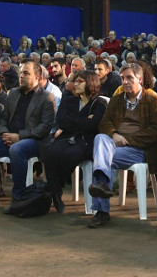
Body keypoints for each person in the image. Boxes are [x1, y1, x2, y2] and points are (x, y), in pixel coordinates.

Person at [0, 60, 56, 210]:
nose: (21, 76)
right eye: (20, 73)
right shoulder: (13, 93)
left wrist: (19, 136)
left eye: (26, 73)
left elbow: (45, 127)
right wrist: (4, 133)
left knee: (17, 149)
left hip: (34, 141)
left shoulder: (47, 97)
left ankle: (18, 196)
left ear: (38, 76)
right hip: (8, 138)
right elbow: (3, 117)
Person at [86, 63, 157, 228]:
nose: (125, 82)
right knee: (100, 138)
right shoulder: (116, 100)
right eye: (122, 78)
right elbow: (105, 123)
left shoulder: (153, 100)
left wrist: (127, 140)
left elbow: (155, 131)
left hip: (140, 149)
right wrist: (114, 135)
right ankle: (103, 188)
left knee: (102, 159)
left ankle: (101, 210)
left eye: (129, 78)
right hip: (115, 144)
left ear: (140, 79)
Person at [41, 70, 107, 212]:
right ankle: (56, 193)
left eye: (79, 82)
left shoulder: (99, 104)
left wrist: (73, 120)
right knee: (50, 153)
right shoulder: (69, 100)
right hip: (67, 137)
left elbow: (93, 125)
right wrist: (83, 120)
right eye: (75, 81)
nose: (74, 84)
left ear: (90, 83)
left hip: (86, 142)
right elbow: (61, 121)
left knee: (71, 155)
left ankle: (54, 190)